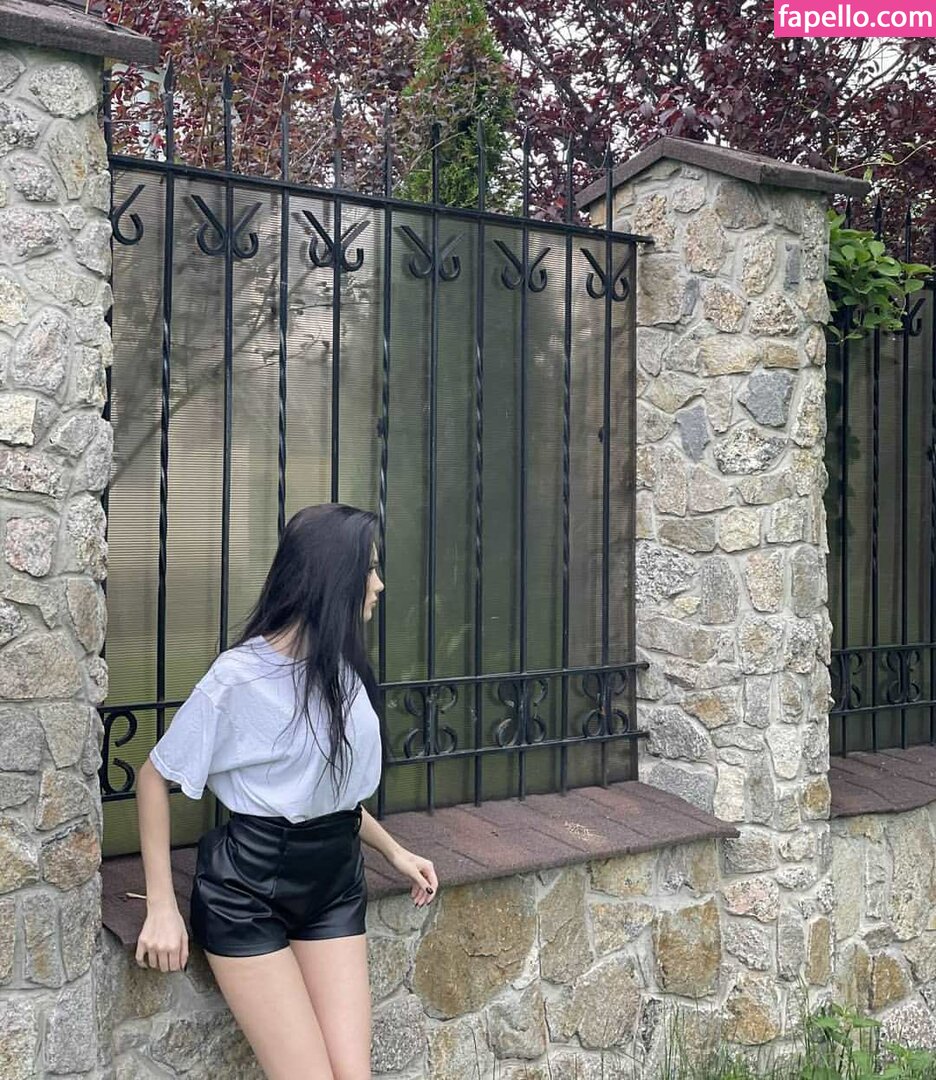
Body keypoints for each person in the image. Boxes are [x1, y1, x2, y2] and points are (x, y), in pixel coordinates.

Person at [134, 504, 438, 1080]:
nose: (379, 584)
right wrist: (162, 906)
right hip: (248, 893)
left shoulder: (343, 671)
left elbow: (324, 795)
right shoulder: (238, 678)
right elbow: (154, 777)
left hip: (334, 883)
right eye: (369, 570)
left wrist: (394, 851)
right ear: (332, 577)